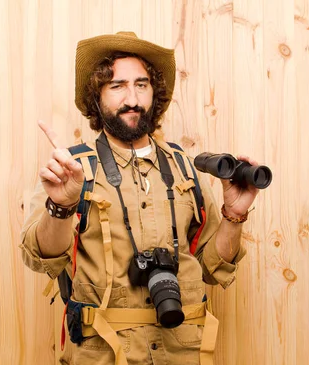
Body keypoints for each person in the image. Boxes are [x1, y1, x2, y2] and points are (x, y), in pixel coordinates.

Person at [20, 31, 259, 365]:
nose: (131, 98)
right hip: (104, 354)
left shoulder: (184, 168)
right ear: (97, 95)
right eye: (117, 86)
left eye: (141, 84)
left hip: (183, 353)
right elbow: (41, 258)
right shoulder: (71, 170)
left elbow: (211, 268)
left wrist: (234, 216)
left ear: (154, 92)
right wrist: (61, 206)